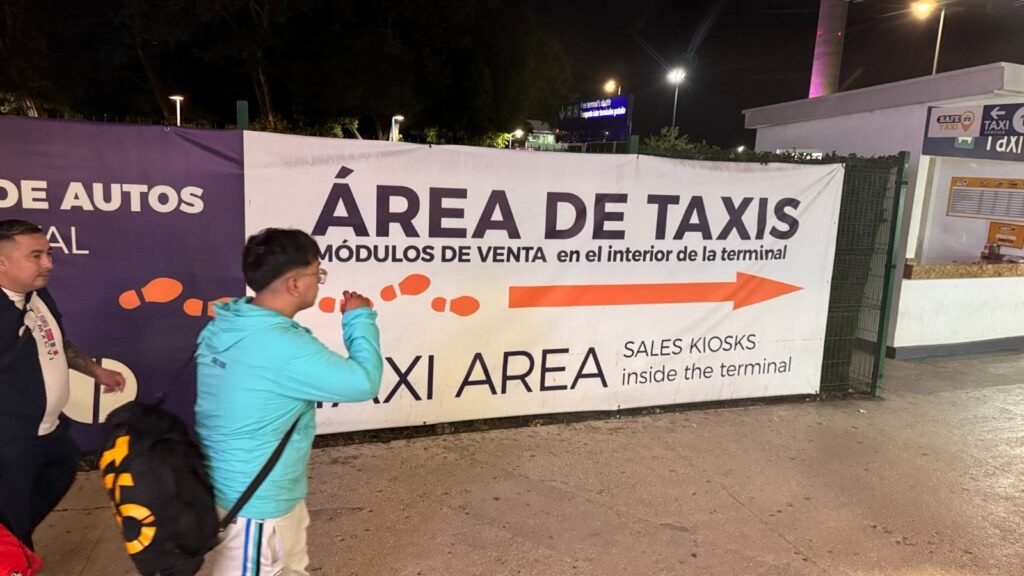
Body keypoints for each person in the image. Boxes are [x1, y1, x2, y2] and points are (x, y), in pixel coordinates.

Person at [194, 228, 383, 576]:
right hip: (257, 505)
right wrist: (360, 318)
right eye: (317, 274)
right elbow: (363, 382)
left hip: (237, 486)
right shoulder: (281, 345)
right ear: (295, 284)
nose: (319, 282)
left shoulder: (228, 322)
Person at [0, 219, 126, 550]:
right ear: (2, 263)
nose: (48, 264)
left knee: (62, 466)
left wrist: (94, 371)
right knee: (11, 516)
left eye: (49, 254)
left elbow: (54, 340)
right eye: (36, 256)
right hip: (9, 439)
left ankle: (15, 549)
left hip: (48, 430)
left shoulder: (38, 294)